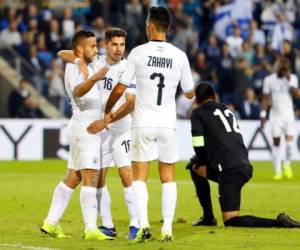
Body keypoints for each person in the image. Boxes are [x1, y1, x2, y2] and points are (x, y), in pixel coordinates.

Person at [103, 6, 194, 242]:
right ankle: (167, 228)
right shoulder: (179, 55)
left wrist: (108, 108)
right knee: (168, 176)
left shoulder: (138, 53)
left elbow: (121, 87)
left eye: (146, 23)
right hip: (167, 124)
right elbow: (189, 94)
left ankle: (143, 225)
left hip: (143, 123)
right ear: (168, 27)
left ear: (151, 26)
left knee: (139, 176)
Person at [58, 27, 139, 240]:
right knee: (99, 179)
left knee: (125, 174)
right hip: (100, 132)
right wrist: (78, 62)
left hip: (120, 129)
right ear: (106, 45)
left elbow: (130, 104)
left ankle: (136, 224)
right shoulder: (97, 61)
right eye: (114, 44)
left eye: (122, 44)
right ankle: (109, 225)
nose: (119, 49)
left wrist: (106, 121)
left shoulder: (128, 68)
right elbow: (63, 54)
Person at [188, 82, 300, 228]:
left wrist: (201, 159)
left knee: (231, 221)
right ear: (214, 97)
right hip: (243, 164)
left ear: (196, 100)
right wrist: (200, 161)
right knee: (194, 168)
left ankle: (280, 223)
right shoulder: (225, 109)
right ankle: (208, 218)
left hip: (229, 171)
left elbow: (197, 142)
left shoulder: (198, 112)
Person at [40, 30, 113, 241]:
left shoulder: (88, 61)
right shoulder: (74, 68)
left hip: (85, 127)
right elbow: (78, 91)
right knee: (91, 176)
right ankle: (91, 228)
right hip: (84, 128)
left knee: (73, 177)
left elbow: (63, 51)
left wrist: (80, 57)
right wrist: (94, 76)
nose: (96, 48)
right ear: (81, 48)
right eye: (92, 45)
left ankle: (50, 223)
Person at [261, 57, 300, 180]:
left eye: (286, 70)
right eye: (282, 70)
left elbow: (297, 96)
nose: (283, 72)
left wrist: (290, 83)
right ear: (278, 68)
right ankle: (277, 170)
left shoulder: (292, 78)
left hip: (288, 116)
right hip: (275, 116)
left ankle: (287, 164)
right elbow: (265, 98)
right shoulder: (269, 80)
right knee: (276, 143)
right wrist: (263, 114)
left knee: (289, 145)